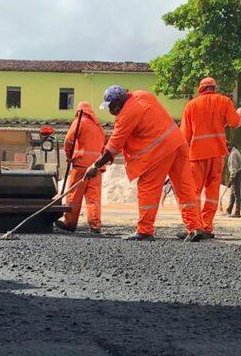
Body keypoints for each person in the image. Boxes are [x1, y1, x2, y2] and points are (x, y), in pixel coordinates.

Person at [84, 85, 203, 241]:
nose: (111, 111)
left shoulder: (126, 115)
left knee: (148, 188)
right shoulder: (143, 95)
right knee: (184, 188)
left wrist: (95, 166)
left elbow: (113, 147)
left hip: (160, 151)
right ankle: (194, 227)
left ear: (118, 103)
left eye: (111, 107)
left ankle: (145, 230)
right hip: (177, 143)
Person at [179, 77, 241, 237]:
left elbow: (184, 136)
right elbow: (234, 122)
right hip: (217, 154)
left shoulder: (191, 106)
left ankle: (195, 227)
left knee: (194, 192)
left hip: (197, 155)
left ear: (200, 89)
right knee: (212, 193)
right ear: (214, 88)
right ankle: (207, 227)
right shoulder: (224, 101)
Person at [56, 101, 107, 234]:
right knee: (94, 198)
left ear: (79, 111)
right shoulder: (99, 127)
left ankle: (70, 223)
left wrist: (69, 156)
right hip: (96, 167)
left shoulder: (79, 122)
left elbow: (68, 140)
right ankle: (95, 226)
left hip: (81, 165)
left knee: (74, 196)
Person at [225, 141, 241, 217]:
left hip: (237, 175)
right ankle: (229, 210)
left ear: (229, 146)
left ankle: (237, 212)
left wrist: (231, 179)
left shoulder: (233, 154)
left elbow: (234, 169)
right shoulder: (235, 151)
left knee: (236, 194)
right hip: (238, 174)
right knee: (233, 193)